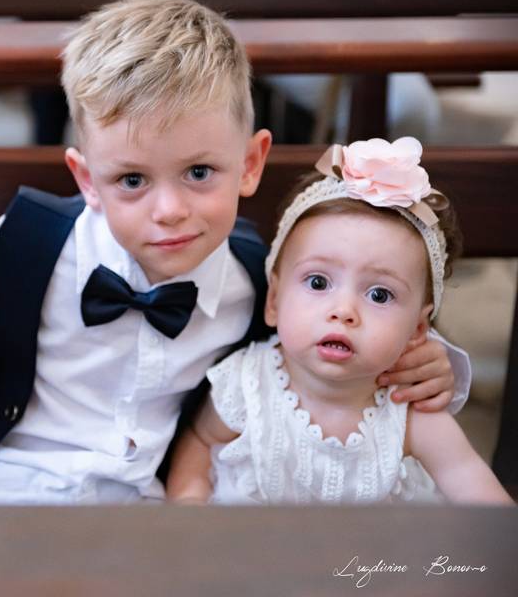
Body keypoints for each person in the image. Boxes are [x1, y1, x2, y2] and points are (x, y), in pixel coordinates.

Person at [0, 0, 471, 505]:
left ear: (250, 164)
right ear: (87, 179)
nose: (169, 210)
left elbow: (335, 334)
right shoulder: (27, 245)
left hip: (151, 509)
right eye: (132, 179)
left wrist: (426, 360)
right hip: (11, 493)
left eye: (199, 172)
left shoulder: (256, 279)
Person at [166, 137, 512, 505]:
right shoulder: (246, 384)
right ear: (274, 300)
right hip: (252, 555)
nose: (343, 310)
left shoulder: (410, 412)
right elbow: (201, 441)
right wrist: (190, 507)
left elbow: (471, 483)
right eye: (318, 282)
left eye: (379, 294)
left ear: (417, 332)